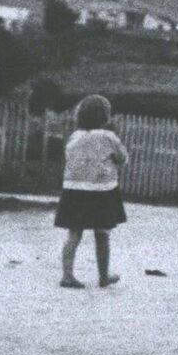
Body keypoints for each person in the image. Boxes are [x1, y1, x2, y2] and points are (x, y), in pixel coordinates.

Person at [54, 94, 128, 288]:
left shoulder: (74, 137)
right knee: (102, 233)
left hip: (74, 190)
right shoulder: (108, 137)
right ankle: (104, 275)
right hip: (101, 191)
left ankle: (67, 276)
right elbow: (122, 158)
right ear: (105, 116)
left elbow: (69, 156)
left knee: (74, 234)